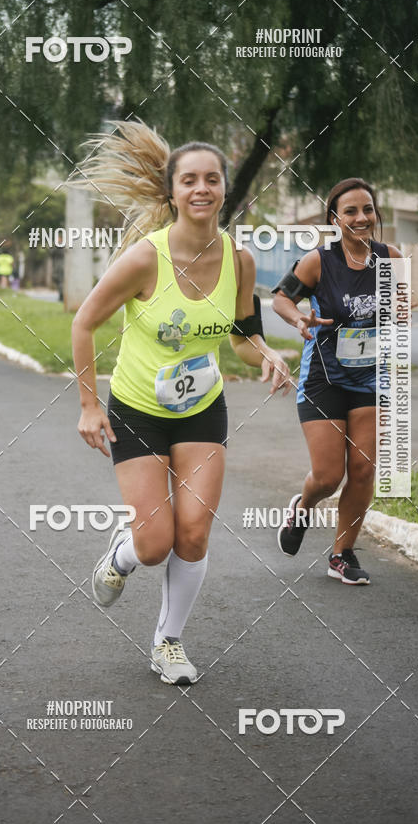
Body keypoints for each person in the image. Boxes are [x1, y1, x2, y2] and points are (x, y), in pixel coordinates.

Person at [72, 121, 291, 684]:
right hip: (138, 410)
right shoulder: (146, 259)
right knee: (154, 543)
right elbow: (84, 323)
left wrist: (265, 353)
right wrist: (90, 406)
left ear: (224, 190)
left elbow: (241, 336)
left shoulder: (240, 261)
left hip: (201, 410)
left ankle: (168, 642)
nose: (202, 189)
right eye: (189, 180)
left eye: (212, 179)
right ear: (171, 193)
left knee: (192, 534)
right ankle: (124, 551)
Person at [272, 177, 403, 585]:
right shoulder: (319, 262)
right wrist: (298, 319)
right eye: (351, 211)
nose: (361, 217)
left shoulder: (391, 258)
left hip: (370, 380)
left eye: (367, 209)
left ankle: (341, 554)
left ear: (375, 214)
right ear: (335, 219)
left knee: (363, 470)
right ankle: (303, 506)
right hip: (323, 380)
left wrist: (401, 311)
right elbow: (281, 298)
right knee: (329, 476)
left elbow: (400, 307)